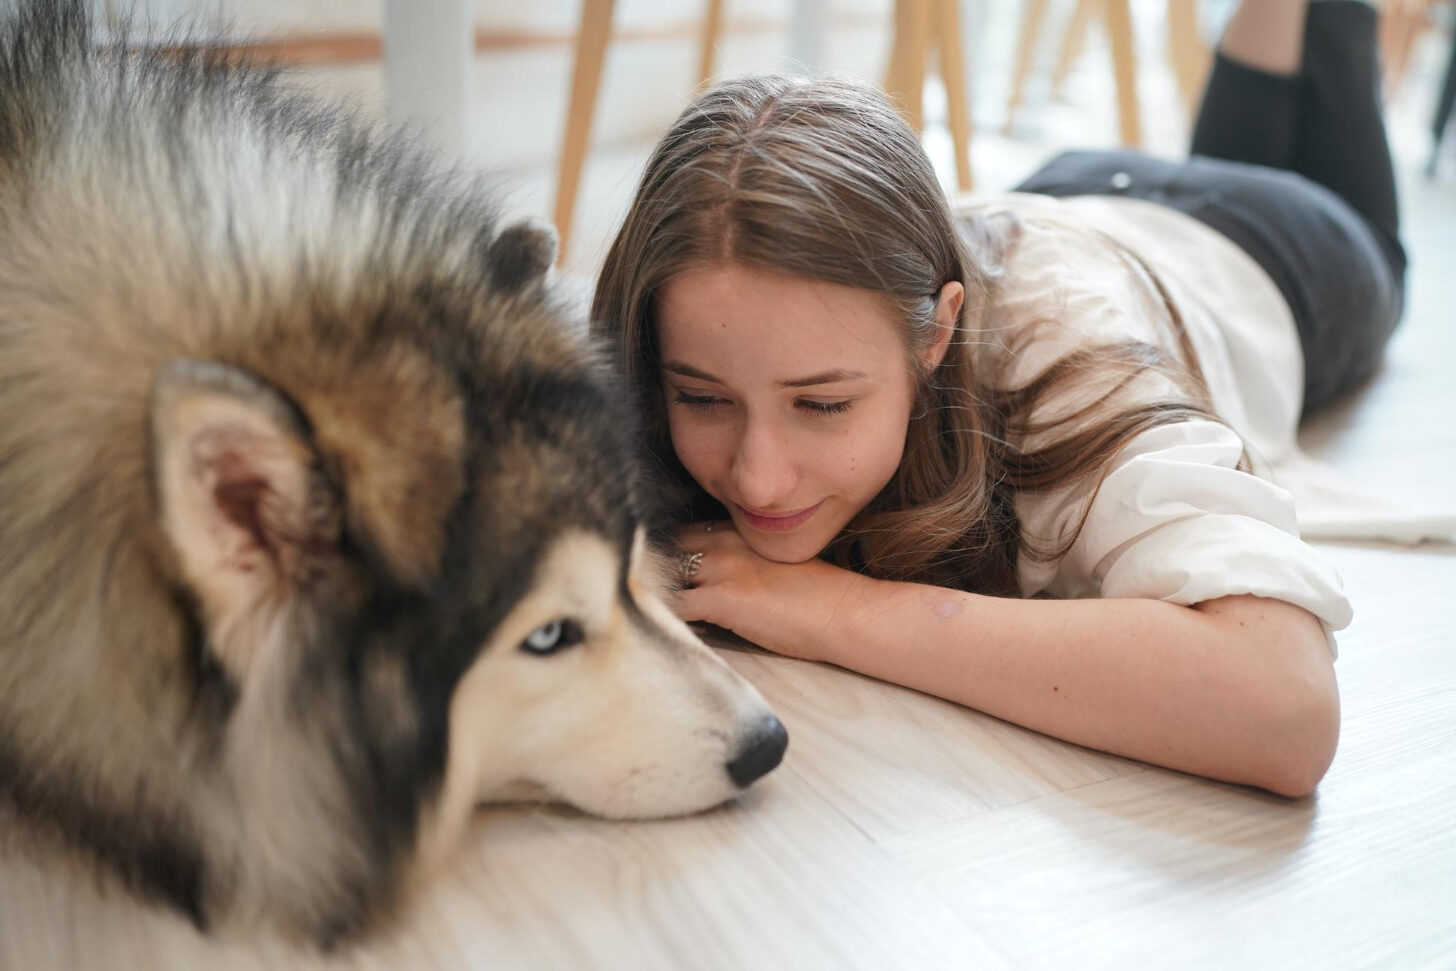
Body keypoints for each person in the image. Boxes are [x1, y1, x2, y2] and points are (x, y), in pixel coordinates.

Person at [591, 0, 1405, 798]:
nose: (759, 479)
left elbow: (1285, 704)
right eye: (703, 398)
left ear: (936, 334)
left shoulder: (1067, 357)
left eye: (823, 405)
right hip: (1067, 187)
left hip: (1273, 246)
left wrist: (837, 611)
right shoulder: (690, 327)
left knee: (1369, 203)